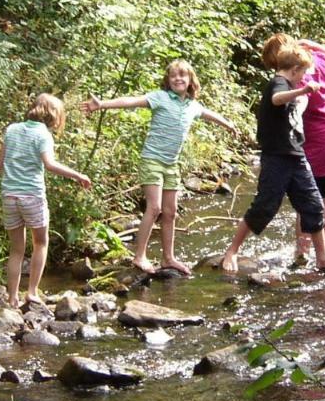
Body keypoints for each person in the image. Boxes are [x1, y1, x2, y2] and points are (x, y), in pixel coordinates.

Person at [82, 59, 237, 275]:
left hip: (171, 163)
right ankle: (140, 256)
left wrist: (229, 125)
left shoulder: (192, 105)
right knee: (154, 208)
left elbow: (210, 115)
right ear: (168, 81)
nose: (178, 79)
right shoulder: (160, 97)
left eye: (182, 75)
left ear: (191, 80)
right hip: (152, 159)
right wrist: (102, 105)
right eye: (173, 76)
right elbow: (131, 101)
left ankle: (168, 258)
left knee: (171, 212)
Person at [220, 43, 325, 273]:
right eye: (302, 72)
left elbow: (289, 115)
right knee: (264, 206)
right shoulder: (278, 83)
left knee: (313, 205)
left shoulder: (289, 85)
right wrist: (302, 92)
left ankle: (322, 257)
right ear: (294, 69)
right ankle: (231, 251)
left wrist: (301, 102)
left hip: (296, 154)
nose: (303, 77)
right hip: (276, 158)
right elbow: (277, 99)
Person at [261, 34, 325, 258]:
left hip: (318, 143)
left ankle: (304, 254)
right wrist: (316, 45)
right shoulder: (319, 61)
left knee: (308, 200)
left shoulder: (293, 79)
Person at [0, 93, 91, 308]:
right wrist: (78, 175)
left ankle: (12, 298)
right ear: (54, 116)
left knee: (16, 249)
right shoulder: (43, 135)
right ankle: (31, 292)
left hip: (9, 195)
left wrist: (11, 180)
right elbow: (49, 164)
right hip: (32, 195)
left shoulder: (12, 129)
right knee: (40, 242)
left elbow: (0, 163)